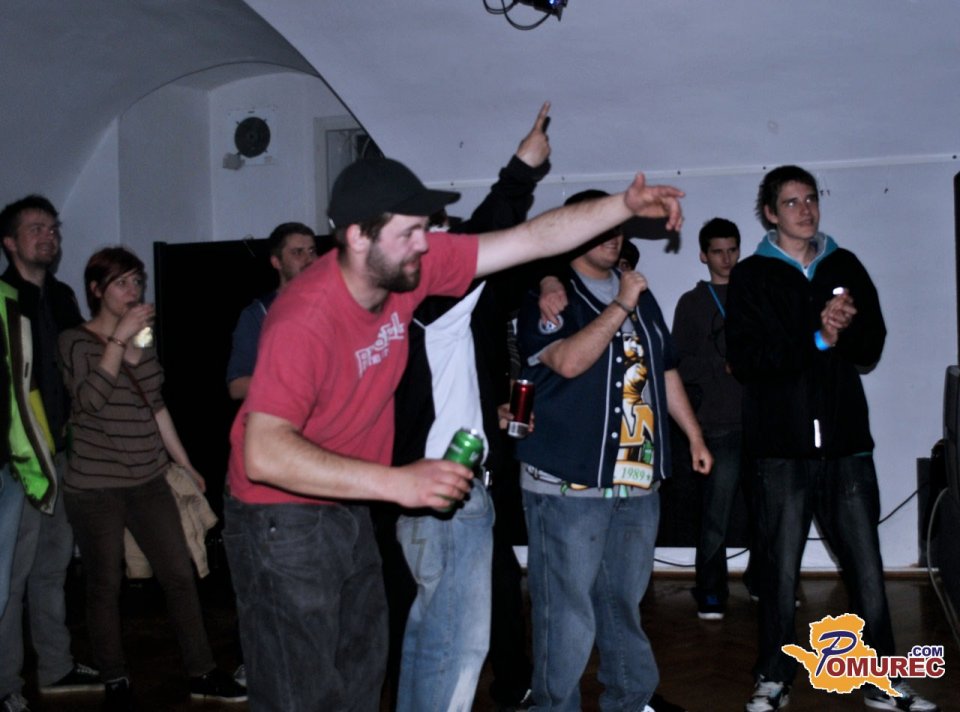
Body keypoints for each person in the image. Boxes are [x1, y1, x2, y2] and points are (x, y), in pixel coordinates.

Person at [221, 156, 684, 712]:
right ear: (357, 237)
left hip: (348, 504)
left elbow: (529, 239)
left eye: (425, 228)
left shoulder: (407, 272)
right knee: (302, 692)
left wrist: (623, 205)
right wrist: (399, 482)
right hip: (279, 516)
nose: (424, 244)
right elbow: (264, 452)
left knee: (362, 672)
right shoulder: (305, 316)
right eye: (410, 232)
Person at [726, 165, 938, 712]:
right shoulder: (752, 276)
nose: (805, 209)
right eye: (791, 202)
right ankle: (773, 676)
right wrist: (817, 336)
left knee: (867, 569)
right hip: (780, 449)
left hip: (846, 445)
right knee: (778, 574)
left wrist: (846, 328)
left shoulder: (846, 266)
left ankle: (881, 679)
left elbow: (871, 347)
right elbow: (748, 360)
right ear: (770, 214)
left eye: (810, 198)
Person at [514, 190, 711, 712]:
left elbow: (665, 369)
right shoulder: (550, 297)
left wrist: (692, 435)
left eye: (618, 226)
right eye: (601, 226)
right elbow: (569, 362)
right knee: (566, 611)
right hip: (569, 482)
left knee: (622, 602)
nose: (614, 236)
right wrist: (620, 302)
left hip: (637, 478)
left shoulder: (639, 292)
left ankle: (629, 699)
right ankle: (554, 707)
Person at [390, 102, 551, 712]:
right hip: (437, 493)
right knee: (452, 646)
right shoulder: (426, 295)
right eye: (427, 226)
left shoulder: (423, 303)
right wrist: (520, 171)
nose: (440, 235)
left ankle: (512, 685)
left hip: (456, 483)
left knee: (437, 634)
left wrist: (493, 414)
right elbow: (491, 236)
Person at [58, 247, 246, 711]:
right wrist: (118, 340)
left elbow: (156, 407)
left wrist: (185, 463)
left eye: (137, 281)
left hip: (148, 478)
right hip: (95, 486)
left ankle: (203, 673)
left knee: (180, 574)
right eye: (121, 282)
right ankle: (115, 677)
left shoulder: (144, 341)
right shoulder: (74, 341)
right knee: (105, 583)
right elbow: (89, 402)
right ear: (96, 290)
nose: (133, 291)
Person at [0, 195, 100, 712]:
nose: (49, 235)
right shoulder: (1, 298)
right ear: (10, 243)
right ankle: (5, 683)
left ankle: (55, 667)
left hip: (59, 452)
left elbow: (76, 367)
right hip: (16, 462)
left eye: (53, 227)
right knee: (9, 578)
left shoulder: (60, 296)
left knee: (52, 567)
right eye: (36, 228)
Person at [672, 217, 752, 620]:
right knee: (715, 516)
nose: (727, 258)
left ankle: (764, 583)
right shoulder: (692, 303)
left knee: (770, 514)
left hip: (761, 422)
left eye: (732, 250)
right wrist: (717, 365)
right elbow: (676, 366)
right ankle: (711, 592)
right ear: (703, 256)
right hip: (717, 423)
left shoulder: (755, 296)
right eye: (718, 252)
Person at [226, 222, 317, 400]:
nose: (309, 260)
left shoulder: (334, 305)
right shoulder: (259, 314)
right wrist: (291, 381)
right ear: (277, 262)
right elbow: (237, 387)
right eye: (297, 252)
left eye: (312, 251)